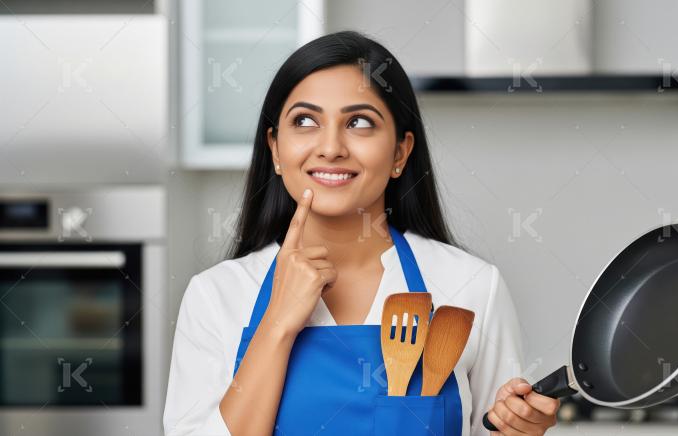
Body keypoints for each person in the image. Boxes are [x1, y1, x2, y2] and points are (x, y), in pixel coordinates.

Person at [163, 30, 559, 436]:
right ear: (276, 150)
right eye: (304, 121)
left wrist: (520, 430)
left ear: (400, 153)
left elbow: (493, 427)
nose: (331, 147)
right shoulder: (216, 296)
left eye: (358, 122)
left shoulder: (472, 286)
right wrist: (277, 324)